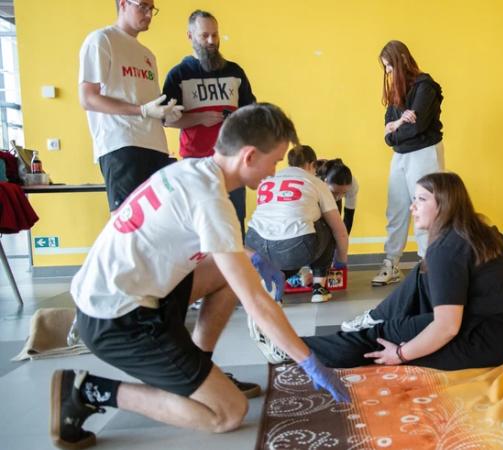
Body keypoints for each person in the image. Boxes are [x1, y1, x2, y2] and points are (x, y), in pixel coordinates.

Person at [50, 104, 349, 450]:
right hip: (118, 321)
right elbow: (256, 302)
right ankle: (87, 390)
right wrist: (309, 362)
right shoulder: (211, 200)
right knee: (227, 413)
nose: (275, 170)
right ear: (250, 156)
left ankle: (198, 368)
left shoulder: (193, 171)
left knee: (233, 270)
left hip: (119, 294)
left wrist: (251, 256)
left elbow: (198, 243)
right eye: (275, 160)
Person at [250, 172, 503, 370]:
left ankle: (288, 348)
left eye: (421, 200)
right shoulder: (486, 233)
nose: (413, 207)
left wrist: (401, 354)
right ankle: (377, 314)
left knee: (376, 339)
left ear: (444, 204)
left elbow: (447, 328)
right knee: (420, 273)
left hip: (483, 340)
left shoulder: (446, 250)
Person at [79, 0, 184, 212]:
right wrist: (142, 111)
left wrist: (166, 112)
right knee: (127, 224)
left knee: (157, 223)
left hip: (155, 146)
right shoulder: (101, 40)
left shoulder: (147, 54)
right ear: (124, 4)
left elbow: (147, 100)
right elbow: (88, 99)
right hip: (122, 143)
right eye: (143, 6)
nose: (148, 14)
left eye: (151, 9)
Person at [162, 10, 256, 237]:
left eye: (215, 35)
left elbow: (251, 113)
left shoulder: (235, 72)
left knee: (233, 223)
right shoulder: (179, 74)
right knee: (197, 226)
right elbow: (165, 118)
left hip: (232, 161)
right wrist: (199, 119)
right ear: (190, 36)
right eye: (205, 36)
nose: (212, 41)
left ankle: (230, 273)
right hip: (195, 163)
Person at [373, 40, 445, 287]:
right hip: (401, 155)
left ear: (402, 60)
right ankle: (391, 262)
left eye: (390, 66)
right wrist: (397, 125)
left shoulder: (426, 86)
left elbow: (418, 126)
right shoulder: (396, 92)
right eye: (386, 69)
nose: (389, 73)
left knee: (425, 209)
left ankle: (429, 263)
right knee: (396, 209)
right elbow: (387, 133)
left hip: (424, 152)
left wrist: (396, 127)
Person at [246, 145, 349, 304]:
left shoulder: (269, 178)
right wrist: (341, 262)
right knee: (326, 223)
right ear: (312, 165)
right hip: (293, 248)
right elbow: (339, 231)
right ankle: (319, 288)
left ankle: (274, 287)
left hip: (254, 244)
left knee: (286, 240)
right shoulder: (316, 182)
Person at [316, 158, 358, 234]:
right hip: (312, 197)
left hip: (327, 191)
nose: (338, 196)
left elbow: (348, 216)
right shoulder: (314, 181)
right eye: (335, 192)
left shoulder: (352, 185)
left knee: (335, 225)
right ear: (325, 182)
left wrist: (343, 240)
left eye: (344, 192)